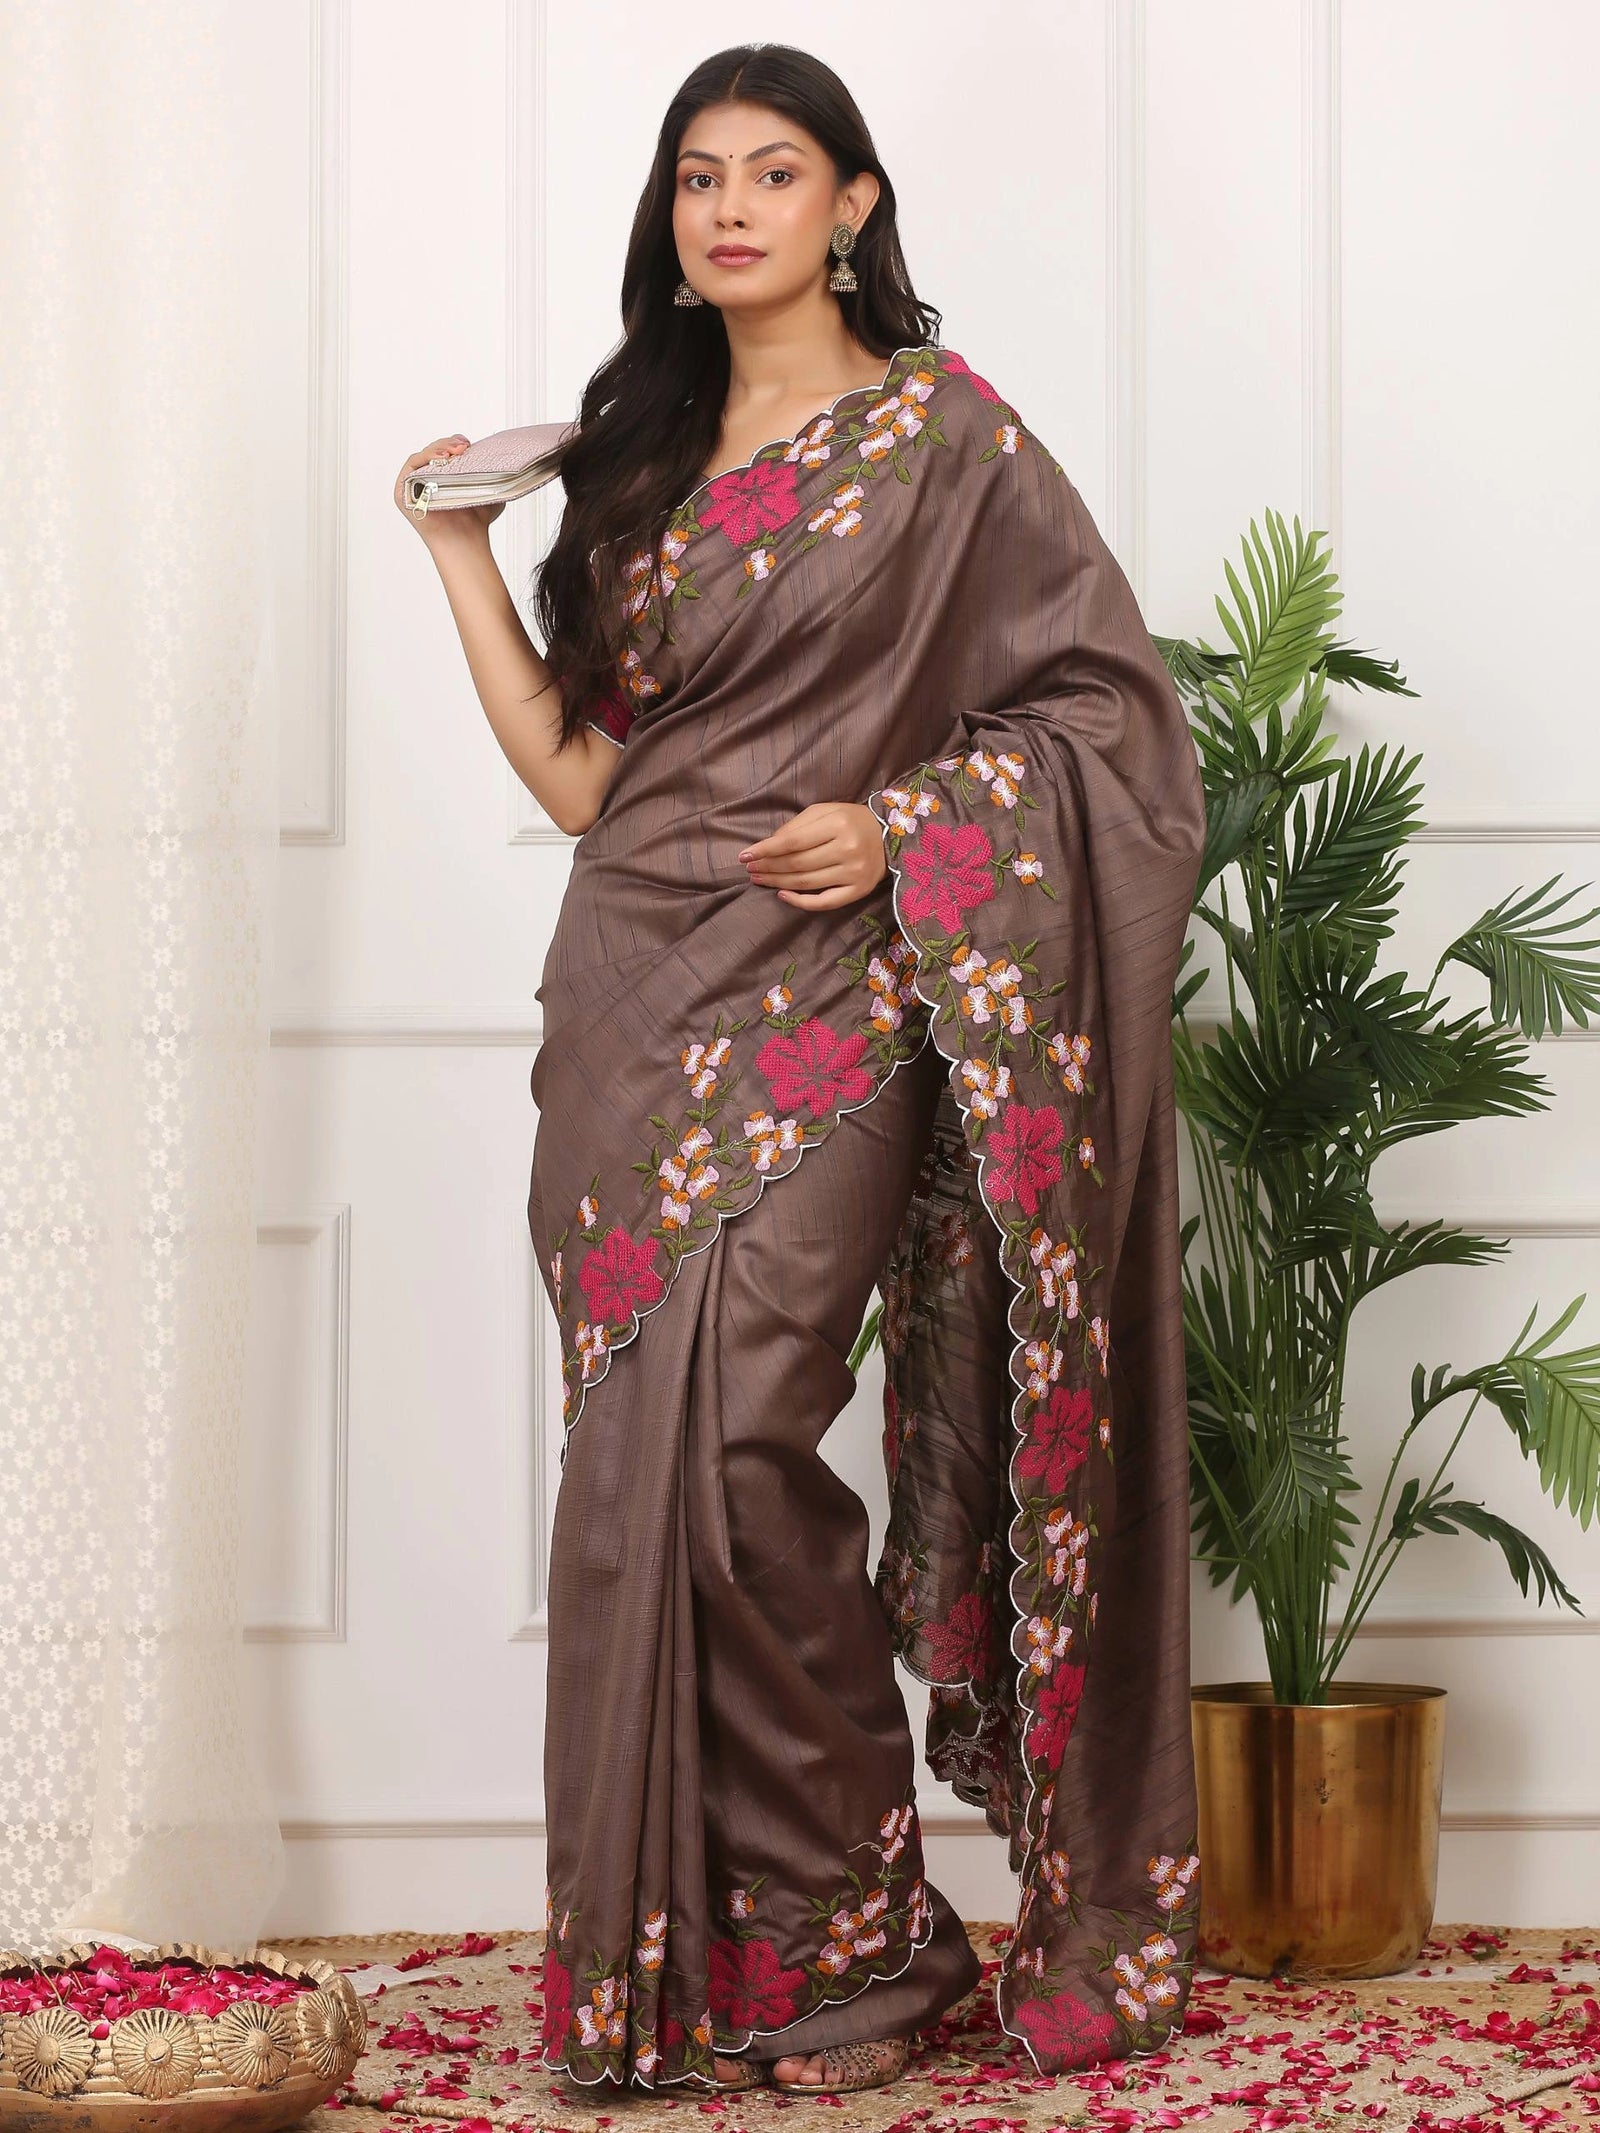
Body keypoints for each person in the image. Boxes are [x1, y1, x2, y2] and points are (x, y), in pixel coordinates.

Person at [394, 42, 1205, 2102]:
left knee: (744, 1445)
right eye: (695, 177)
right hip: (629, 1002)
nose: (727, 207)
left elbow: (1116, 725)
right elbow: (590, 774)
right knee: (632, 1490)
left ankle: (866, 1938)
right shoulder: (637, 454)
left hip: (836, 985)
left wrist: (910, 822)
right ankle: (734, 1963)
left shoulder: (943, 439)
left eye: (772, 171)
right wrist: (460, 556)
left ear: (853, 202)